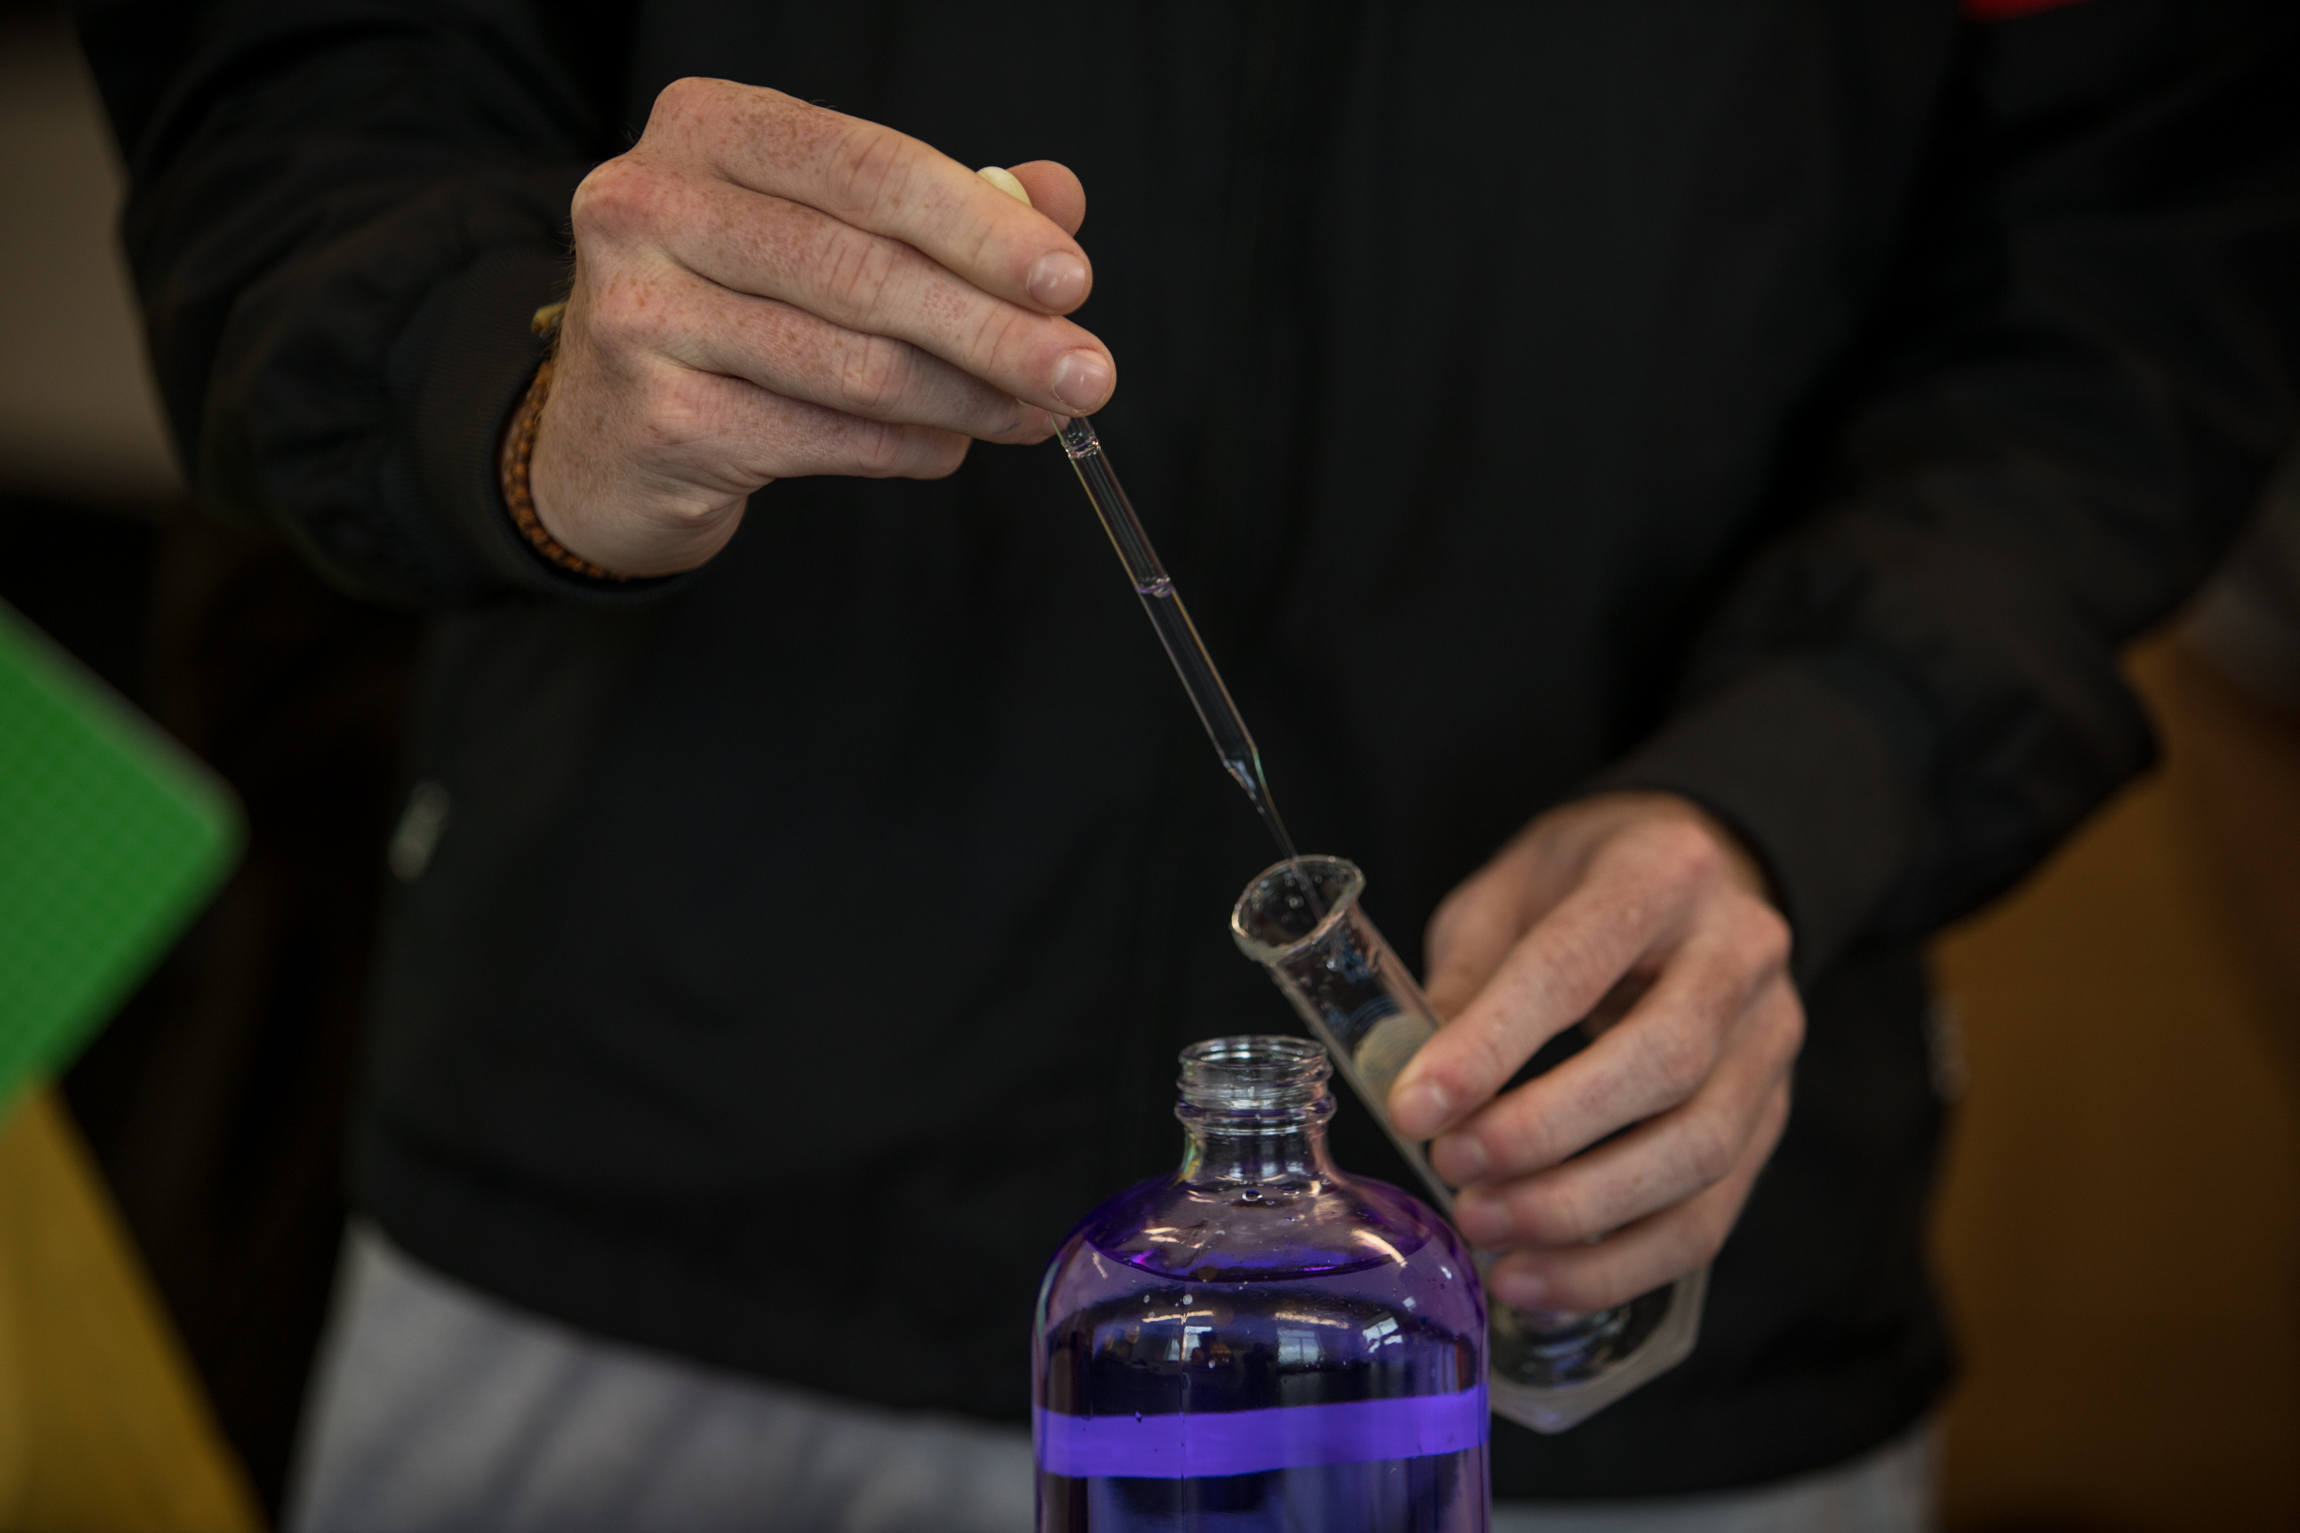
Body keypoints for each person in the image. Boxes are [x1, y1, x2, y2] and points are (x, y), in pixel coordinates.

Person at [72, 0, 2300, 1528]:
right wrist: (521, 381)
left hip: (1594, 1347)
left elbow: (2135, 265)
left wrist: (1795, 775)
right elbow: (301, 80)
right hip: (644, 1256)